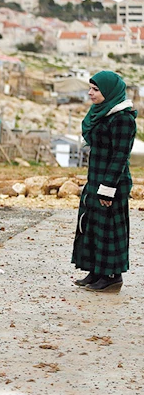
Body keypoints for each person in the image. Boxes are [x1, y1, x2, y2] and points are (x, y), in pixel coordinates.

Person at [72, 71, 136, 293]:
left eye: (96, 89)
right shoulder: (101, 114)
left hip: (112, 183)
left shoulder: (123, 119)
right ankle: (96, 271)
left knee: (109, 230)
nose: (90, 93)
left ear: (109, 92)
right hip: (96, 178)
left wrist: (107, 189)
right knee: (92, 226)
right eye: (90, 88)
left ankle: (112, 276)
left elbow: (120, 156)